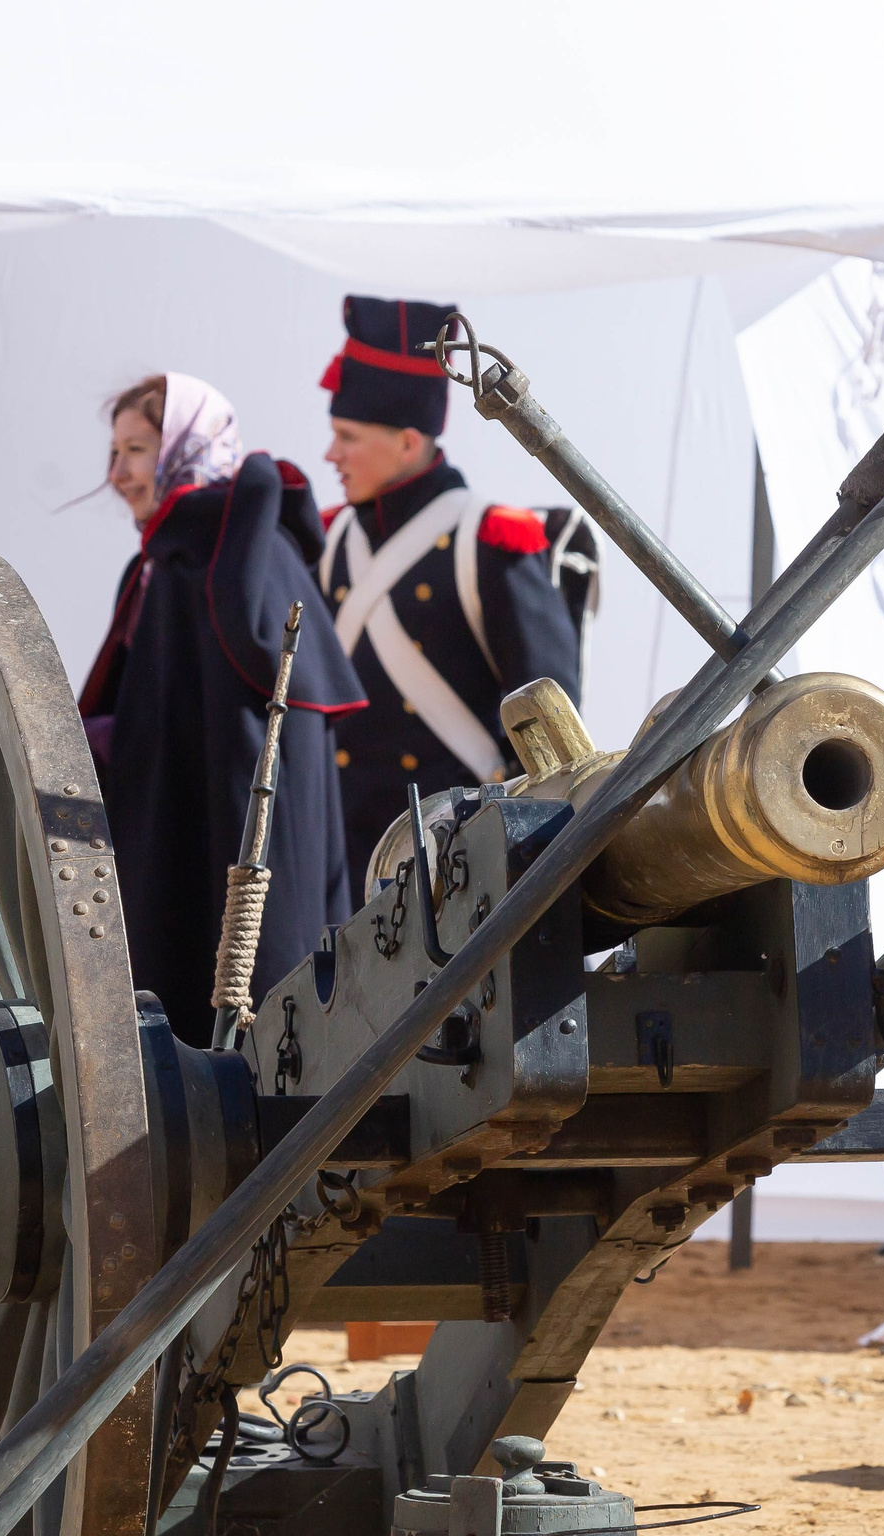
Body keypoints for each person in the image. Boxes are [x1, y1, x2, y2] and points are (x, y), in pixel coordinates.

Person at [79, 374, 365, 1043]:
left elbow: (242, 762)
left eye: (137, 450)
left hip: (233, 905)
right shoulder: (168, 563)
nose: (117, 473)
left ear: (184, 447)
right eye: (115, 452)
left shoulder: (232, 561)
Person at [316, 295, 584, 865]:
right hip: (346, 853)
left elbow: (551, 723)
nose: (330, 455)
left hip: (458, 858)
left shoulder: (491, 538)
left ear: (407, 441)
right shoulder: (330, 539)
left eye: (348, 437)